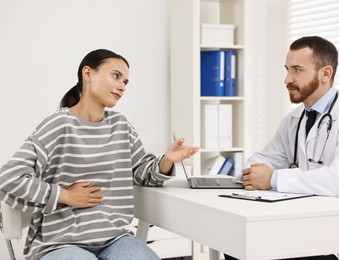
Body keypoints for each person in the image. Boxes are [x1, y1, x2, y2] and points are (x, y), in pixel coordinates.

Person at [0, 49, 199, 260]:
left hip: (114, 238)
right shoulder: (58, 125)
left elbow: (142, 172)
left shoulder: (121, 126)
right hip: (59, 242)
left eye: (126, 81)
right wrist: (65, 196)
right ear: (88, 74)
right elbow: (9, 177)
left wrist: (167, 159)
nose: (122, 86)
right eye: (116, 76)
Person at [226, 36, 339, 260]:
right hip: (313, 225)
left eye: (297, 70)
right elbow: (266, 157)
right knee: (239, 247)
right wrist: (252, 173)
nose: (287, 79)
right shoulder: (293, 120)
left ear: (325, 73)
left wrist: (272, 179)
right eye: (286, 69)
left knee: (259, 250)